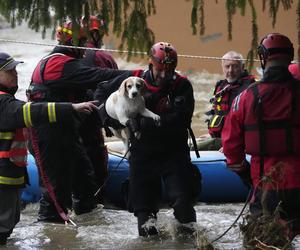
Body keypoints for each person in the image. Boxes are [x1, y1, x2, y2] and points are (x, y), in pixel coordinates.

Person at [95, 42, 201, 237]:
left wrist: (143, 124)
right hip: (142, 153)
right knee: (143, 211)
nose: (163, 76)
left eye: (168, 71)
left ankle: (189, 241)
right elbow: (101, 93)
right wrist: (107, 116)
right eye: (160, 71)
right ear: (150, 64)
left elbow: (182, 119)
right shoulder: (132, 79)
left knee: (182, 201)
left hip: (173, 151)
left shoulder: (182, 85)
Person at [26, 20, 127, 222]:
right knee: (57, 191)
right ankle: (52, 233)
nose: (86, 45)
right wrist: (138, 74)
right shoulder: (63, 63)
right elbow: (102, 79)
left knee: (84, 180)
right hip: (53, 136)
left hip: (68, 133)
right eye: (83, 40)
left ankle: (86, 225)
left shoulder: (62, 60)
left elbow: (92, 93)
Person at [0, 52, 98, 245]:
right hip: (3, 179)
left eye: (15, 70)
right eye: (8, 71)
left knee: (6, 229)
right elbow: (29, 111)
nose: (15, 74)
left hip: (9, 176)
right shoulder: (3, 103)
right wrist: (69, 108)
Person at [222, 33, 300, 240]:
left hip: (267, 186)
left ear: (263, 58)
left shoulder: (245, 97)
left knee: (264, 241)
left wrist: (243, 172)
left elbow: (230, 146)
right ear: (290, 57)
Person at [80, 15, 119, 203]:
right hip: (91, 122)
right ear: (94, 34)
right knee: (95, 169)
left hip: (65, 124)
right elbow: (115, 94)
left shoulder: (57, 58)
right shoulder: (102, 57)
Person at [203, 51, 256, 150]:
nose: (230, 71)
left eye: (235, 66)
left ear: (242, 66)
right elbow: (216, 113)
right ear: (222, 67)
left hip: (238, 143)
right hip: (221, 138)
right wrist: (211, 135)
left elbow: (252, 122)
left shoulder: (252, 88)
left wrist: (233, 145)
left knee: (192, 148)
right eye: (227, 66)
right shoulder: (221, 87)